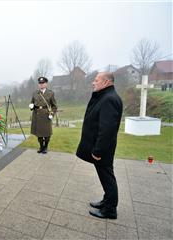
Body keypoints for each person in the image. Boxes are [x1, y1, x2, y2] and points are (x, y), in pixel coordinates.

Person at [76, 72, 123, 219]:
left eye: (96, 80)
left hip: (103, 149)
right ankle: (106, 201)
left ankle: (110, 210)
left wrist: (98, 150)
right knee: (104, 176)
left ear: (106, 82)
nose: (93, 82)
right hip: (101, 148)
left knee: (107, 177)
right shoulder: (105, 96)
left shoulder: (109, 99)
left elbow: (107, 129)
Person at [29, 76, 57, 154]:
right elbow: (32, 103)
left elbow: (54, 106)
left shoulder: (50, 93)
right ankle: (41, 147)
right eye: (40, 83)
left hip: (46, 116)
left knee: (47, 134)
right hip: (37, 115)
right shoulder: (35, 93)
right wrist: (31, 106)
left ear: (46, 84)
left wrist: (52, 114)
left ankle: (46, 147)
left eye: (43, 83)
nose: (41, 84)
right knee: (39, 134)